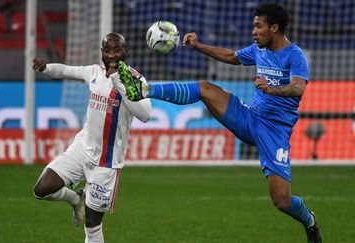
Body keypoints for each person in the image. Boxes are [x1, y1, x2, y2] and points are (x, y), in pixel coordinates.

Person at [114, 3, 322, 243]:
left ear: (274, 28)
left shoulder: (295, 55)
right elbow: (232, 56)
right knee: (205, 88)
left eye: (258, 26)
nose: (253, 31)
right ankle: (145, 89)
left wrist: (272, 89)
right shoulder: (259, 49)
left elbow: (298, 88)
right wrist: (199, 46)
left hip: (275, 132)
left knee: (282, 201)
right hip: (250, 118)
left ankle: (310, 221)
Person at [32, 32, 151, 243]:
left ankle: (84, 207)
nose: (112, 54)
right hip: (82, 148)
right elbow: (66, 71)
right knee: (42, 189)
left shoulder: (135, 79)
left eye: (117, 50)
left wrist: (118, 82)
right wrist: (45, 68)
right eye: (108, 50)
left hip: (107, 161)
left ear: (126, 51)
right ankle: (76, 198)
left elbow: (144, 115)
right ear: (102, 52)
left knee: (92, 225)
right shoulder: (94, 72)